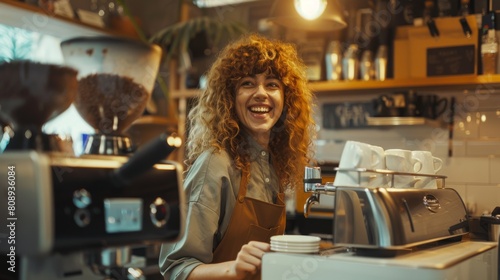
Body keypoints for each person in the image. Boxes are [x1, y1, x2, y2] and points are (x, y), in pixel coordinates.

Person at [159, 33, 316, 280]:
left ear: (286, 100)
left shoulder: (274, 163)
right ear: (230, 98)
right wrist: (233, 269)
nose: (261, 93)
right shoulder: (216, 163)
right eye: (247, 83)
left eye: (272, 84)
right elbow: (176, 268)